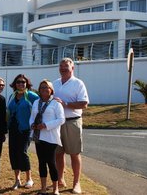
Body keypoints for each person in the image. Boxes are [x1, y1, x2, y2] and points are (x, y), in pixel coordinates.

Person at [53, 58, 89, 194]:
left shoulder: (78, 83)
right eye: (61, 66)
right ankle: (60, 179)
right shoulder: (55, 83)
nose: (63, 68)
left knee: (74, 154)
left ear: (72, 68)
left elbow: (84, 103)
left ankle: (76, 183)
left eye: (66, 66)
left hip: (72, 121)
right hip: (57, 123)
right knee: (58, 153)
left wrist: (66, 104)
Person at [29, 79, 65, 195]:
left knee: (51, 162)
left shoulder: (56, 103)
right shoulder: (36, 102)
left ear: (51, 90)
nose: (44, 89)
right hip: (38, 137)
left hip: (50, 137)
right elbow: (32, 116)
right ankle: (43, 188)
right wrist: (32, 124)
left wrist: (46, 125)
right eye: (42, 88)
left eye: (47, 87)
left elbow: (61, 119)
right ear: (39, 90)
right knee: (41, 162)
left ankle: (55, 189)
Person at [7, 74, 39, 189]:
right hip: (13, 128)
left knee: (22, 152)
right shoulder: (12, 96)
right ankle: (17, 180)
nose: (21, 84)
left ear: (27, 84)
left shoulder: (30, 95)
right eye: (18, 82)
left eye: (23, 82)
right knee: (13, 152)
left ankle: (29, 178)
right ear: (15, 84)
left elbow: (43, 101)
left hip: (25, 129)